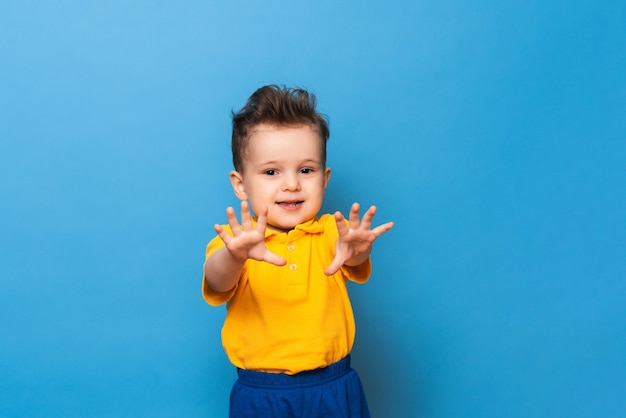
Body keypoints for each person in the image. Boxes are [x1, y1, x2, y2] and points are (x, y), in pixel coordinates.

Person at [202, 85, 393, 417]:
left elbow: (348, 256)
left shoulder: (330, 232)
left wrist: (357, 250)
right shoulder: (238, 242)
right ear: (240, 184)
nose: (291, 184)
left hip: (333, 387)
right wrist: (235, 256)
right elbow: (217, 281)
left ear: (324, 178)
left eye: (306, 170)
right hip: (262, 395)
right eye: (271, 172)